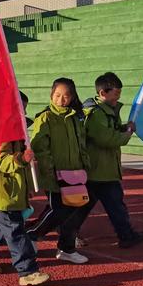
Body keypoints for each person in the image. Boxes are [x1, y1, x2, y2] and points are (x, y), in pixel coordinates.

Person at [76, 72, 143, 248]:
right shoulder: (96, 113)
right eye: (115, 93)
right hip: (98, 170)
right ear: (103, 93)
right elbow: (107, 139)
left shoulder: (107, 111)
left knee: (94, 205)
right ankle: (125, 235)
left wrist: (124, 127)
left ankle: (69, 232)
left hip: (103, 169)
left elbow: (113, 130)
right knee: (110, 205)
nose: (118, 96)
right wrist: (128, 133)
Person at [26, 78, 90, 264]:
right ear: (51, 95)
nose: (61, 99)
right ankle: (32, 234)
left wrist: (84, 165)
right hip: (55, 173)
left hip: (76, 173)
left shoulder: (75, 118)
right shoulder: (45, 117)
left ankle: (66, 248)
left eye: (66, 96)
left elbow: (81, 144)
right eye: (57, 95)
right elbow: (40, 147)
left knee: (74, 210)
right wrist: (49, 172)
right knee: (58, 209)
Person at [0, 139, 50, 286]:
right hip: (4, 191)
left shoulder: (13, 135)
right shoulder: (1, 134)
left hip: (7, 190)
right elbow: (2, 161)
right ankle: (27, 271)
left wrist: (24, 189)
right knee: (15, 231)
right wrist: (22, 158)